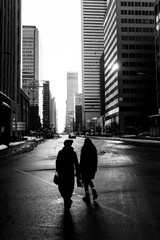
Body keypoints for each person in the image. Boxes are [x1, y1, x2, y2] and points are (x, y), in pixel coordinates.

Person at [56, 139, 79, 209]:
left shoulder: (61, 152)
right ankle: (67, 199)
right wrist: (78, 172)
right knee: (69, 187)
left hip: (62, 172)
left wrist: (58, 170)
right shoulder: (72, 153)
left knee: (62, 187)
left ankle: (66, 199)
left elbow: (57, 162)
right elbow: (76, 164)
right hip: (69, 172)